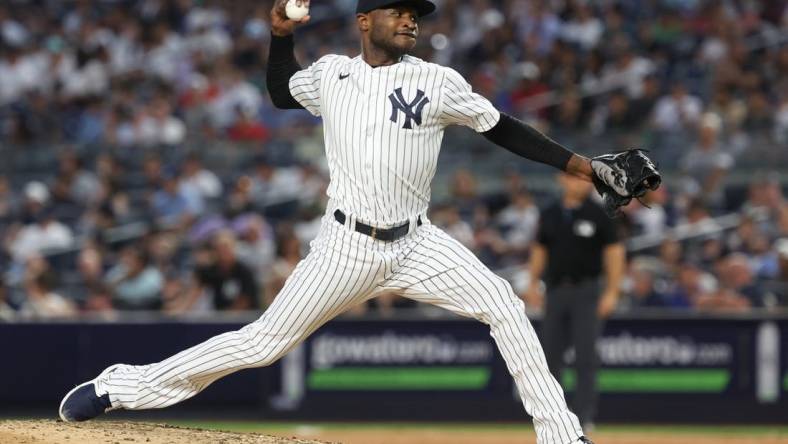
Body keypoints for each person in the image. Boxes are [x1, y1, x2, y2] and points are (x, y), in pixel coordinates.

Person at [60, 2, 638, 442]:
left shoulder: (437, 81)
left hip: (416, 242)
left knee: (505, 303)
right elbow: (282, 92)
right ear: (365, 21)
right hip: (345, 245)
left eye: (417, 13)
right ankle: (120, 385)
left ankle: (560, 433)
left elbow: (504, 128)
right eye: (399, 11)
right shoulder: (333, 74)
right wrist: (281, 36)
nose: (411, 20)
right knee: (261, 344)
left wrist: (586, 169)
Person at [525, 173, 625, 431]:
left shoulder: (601, 212)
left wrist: (612, 291)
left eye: (582, 180)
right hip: (555, 291)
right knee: (549, 356)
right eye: (573, 178)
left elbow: (614, 253)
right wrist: (532, 283)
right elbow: (540, 249)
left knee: (585, 356)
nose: (577, 183)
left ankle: (584, 416)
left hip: (587, 291)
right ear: (561, 180)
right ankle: (552, 416)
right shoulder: (550, 213)